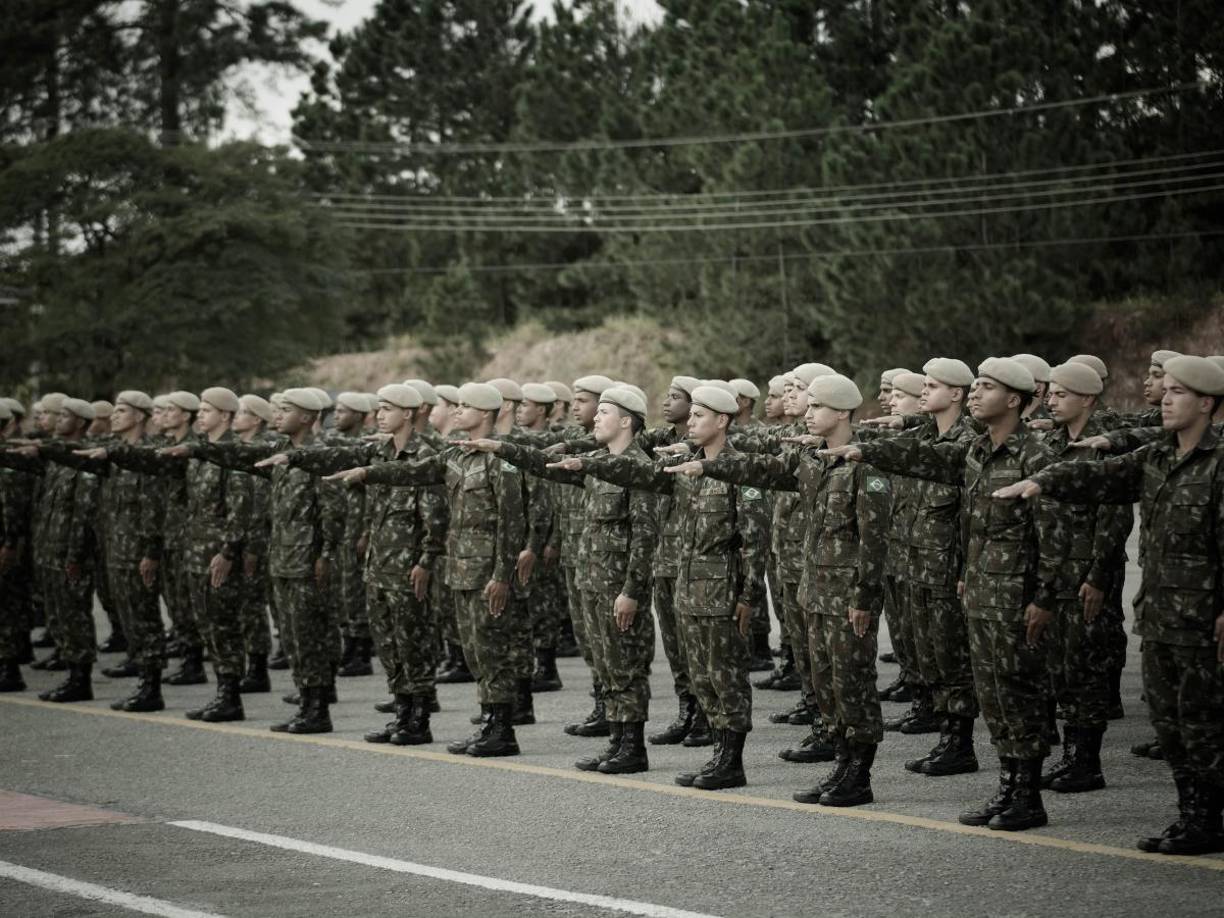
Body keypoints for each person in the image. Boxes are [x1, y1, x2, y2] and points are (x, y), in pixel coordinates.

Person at [995, 355, 1224, 855]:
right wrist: (1043, 481)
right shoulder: (1157, 455)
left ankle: (1208, 816)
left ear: (1207, 403)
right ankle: (1195, 817)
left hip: (1206, 621)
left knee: (1205, 723)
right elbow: (1102, 477)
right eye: (1167, 391)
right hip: (1161, 616)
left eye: (1179, 392)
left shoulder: (1219, 462)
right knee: (1170, 723)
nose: (1166, 399)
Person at [823, 358, 1064, 831]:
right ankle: (1010, 788)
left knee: (1019, 695)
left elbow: (1056, 536)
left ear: (1014, 399)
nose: (976, 393)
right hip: (982, 592)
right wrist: (865, 451)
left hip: (1017, 597)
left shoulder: (1036, 456)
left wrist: (1046, 598)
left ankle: (1028, 795)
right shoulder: (976, 450)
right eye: (975, 386)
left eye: (986, 387)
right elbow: (930, 463)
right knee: (994, 696)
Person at [675, 376, 886, 802]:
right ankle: (841, 765)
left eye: (817, 407)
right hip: (814, 591)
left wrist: (865, 597)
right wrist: (709, 465)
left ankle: (859, 774)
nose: (808, 413)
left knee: (852, 683)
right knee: (825, 684)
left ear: (841, 412)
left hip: (847, 596)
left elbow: (875, 539)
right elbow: (763, 469)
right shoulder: (809, 458)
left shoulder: (866, 464)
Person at [553, 384, 768, 788]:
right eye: (692, 414)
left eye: (699, 416)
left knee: (726, 677)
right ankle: (717, 756)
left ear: (722, 421)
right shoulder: (684, 469)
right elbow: (639, 475)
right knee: (702, 677)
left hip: (722, 591)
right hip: (689, 589)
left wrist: (749, 597)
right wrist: (586, 463)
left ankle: (731, 761)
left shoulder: (742, 471)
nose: (691, 422)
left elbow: (756, 542)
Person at [463, 386, 659, 773]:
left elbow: (645, 537)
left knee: (625, 666)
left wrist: (631, 591)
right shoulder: (598, 462)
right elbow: (544, 464)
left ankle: (633, 748)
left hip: (617, 587)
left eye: (605, 412)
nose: (596, 418)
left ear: (626, 421)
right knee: (606, 665)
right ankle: (617, 742)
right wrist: (502, 448)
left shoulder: (637, 468)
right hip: (592, 581)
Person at [326, 382, 527, 757]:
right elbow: (414, 471)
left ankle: (503, 730)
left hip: (487, 571)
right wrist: (368, 472)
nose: (457, 410)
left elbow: (512, 523)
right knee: (474, 652)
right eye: (457, 405)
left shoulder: (501, 460)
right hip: (461, 569)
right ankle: (488, 725)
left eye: (465, 406)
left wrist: (502, 576)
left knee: (492, 650)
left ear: (485, 413)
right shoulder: (456, 454)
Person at [276, 384, 447, 745]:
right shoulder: (378, 450)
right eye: (379, 408)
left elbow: (436, 517)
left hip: (409, 567)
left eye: (387, 409)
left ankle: (419, 719)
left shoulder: (426, 455)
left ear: (408, 414)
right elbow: (338, 455)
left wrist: (426, 560)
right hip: (379, 565)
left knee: (413, 643)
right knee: (388, 645)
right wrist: (295, 457)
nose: (380, 415)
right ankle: (401, 713)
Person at [1037, 362, 1132, 794]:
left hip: (1087, 577)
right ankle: (1071, 756)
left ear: (1088, 399)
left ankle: (1086, 762)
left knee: (1086, 668)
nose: (1051, 401)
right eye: (1050, 394)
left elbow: (1115, 519)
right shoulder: (1053, 443)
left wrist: (1098, 576)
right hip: (1055, 575)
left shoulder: (1102, 449)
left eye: (1061, 395)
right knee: (1060, 666)